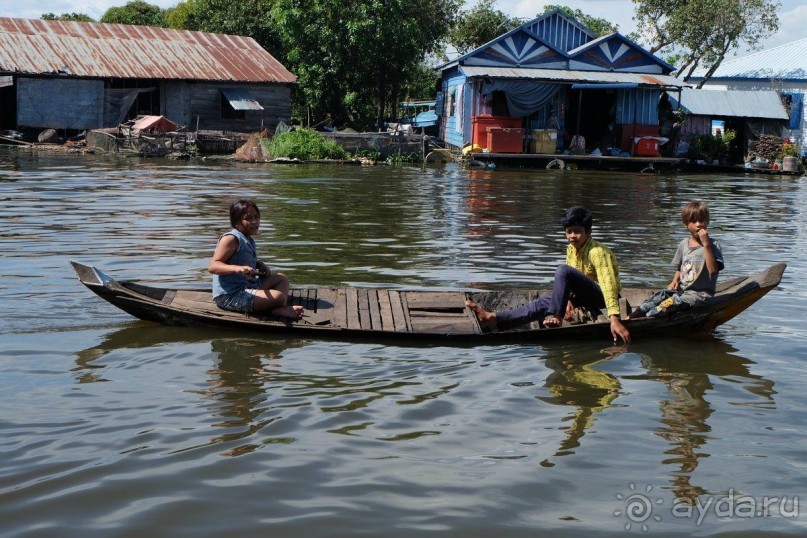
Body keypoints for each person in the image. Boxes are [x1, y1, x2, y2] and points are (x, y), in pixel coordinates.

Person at [466, 206, 630, 343]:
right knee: (542, 302)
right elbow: (572, 281)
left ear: (588, 232)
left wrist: (614, 318)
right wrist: (568, 299)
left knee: (562, 270)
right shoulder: (571, 249)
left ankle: (556, 316)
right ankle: (495, 319)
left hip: (604, 298)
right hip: (584, 295)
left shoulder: (597, 252)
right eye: (569, 232)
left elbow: (609, 287)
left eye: (577, 231)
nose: (572, 236)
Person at [209, 198, 304, 319]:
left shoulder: (248, 238)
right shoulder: (231, 239)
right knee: (278, 296)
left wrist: (259, 264)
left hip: (248, 286)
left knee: (282, 279)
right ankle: (278, 308)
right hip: (230, 295)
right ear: (236, 222)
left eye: (256, 217)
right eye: (248, 218)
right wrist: (238, 269)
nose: (254, 222)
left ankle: (280, 308)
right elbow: (213, 266)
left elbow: (240, 259)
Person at [630, 201, 724, 318]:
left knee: (667, 305)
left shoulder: (713, 245)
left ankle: (647, 319)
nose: (698, 224)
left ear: (707, 222)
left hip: (699, 295)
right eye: (694, 221)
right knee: (657, 297)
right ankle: (631, 317)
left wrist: (706, 245)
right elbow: (680, 267)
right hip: (681, 291)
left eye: (702, 220)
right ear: (686, 224)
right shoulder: (684, 244)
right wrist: (674, 281)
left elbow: (713, 271)